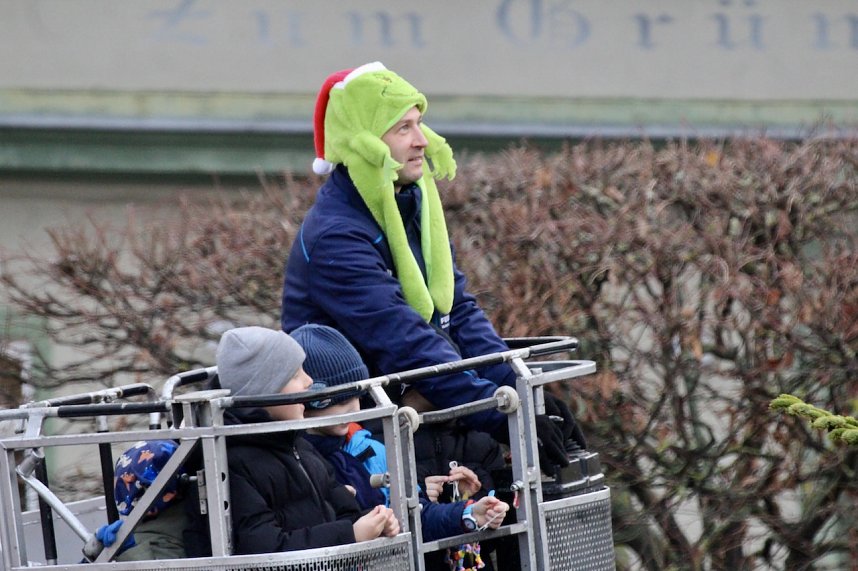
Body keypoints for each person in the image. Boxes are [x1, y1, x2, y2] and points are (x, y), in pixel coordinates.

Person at [279, 61, 584, 476]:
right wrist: (499, 414)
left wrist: (522, 392)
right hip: (359, 448)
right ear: (363, 142)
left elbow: (457, 312)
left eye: (419, 123)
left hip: (423, 416)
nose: (422, 141)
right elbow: (404, 340)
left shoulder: (410, 204)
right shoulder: (337, 234)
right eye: (403, 128)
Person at [184, 326, 399, 556]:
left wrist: (376, 522)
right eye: (295, 375)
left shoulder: (299, 445)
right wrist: (351, 535)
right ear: (264, 391)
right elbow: (264, 549)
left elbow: (345, 509)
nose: (309, 381)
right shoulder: (230, 462)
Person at [291, 323, 509, 550]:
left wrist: (468, 513)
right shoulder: (293, 459)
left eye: (358, 397)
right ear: (314, 399)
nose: (355, 409)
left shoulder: (373, 450)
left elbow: (416, 516)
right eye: (343, 401)